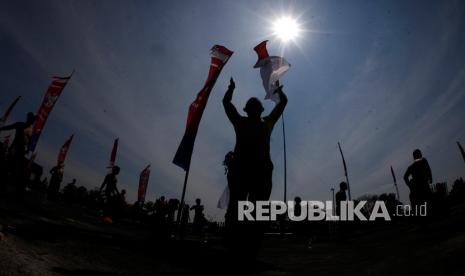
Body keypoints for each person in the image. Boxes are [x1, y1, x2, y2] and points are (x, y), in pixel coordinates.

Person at [223, 77, 287, 265]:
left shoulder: (243, 122)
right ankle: (247, 248)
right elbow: (283, 103)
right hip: (255, 172)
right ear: (259, 110)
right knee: (250, 209)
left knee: (240, 208)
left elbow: (226, 103)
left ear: (249, 110)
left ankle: (239, 247)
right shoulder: (265, 122)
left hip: (247, 172)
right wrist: (278, 91)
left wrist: (231, 89)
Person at [0, 112, 36, 197]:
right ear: (28, 118)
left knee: (18, 170)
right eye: (31, 119)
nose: (32, 121)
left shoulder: (30, 130)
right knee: (7, 166)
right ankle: (3, 186)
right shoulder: (20, 124)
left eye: (33, 120)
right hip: (15, 148)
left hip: (21, 151)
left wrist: (27, 149)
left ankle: (15, 191)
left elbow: (30, 141)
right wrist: (1, 128)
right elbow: (9, 127)